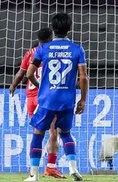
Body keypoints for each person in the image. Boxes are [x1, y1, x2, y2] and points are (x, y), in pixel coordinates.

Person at [24, 13, 88, 182]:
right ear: (69, 29)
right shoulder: (77, 49)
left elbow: (29, 73)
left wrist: (40, 85)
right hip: (67, 101)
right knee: (66, 133)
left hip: (46, 99)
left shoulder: (43, 49)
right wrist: (83, 99)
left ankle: (34, 175)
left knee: (38, 134)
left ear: (53, 29)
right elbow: (83, 77)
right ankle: (74, 169)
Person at [9, 28, 66, 179]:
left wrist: (13, 86)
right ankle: (50, 167)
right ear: (51, 37)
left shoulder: (29, 53)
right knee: (54, 131)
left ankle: (33, 172)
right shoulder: (52, 52)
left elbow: (22, 74)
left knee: (37, 133)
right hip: (45, 98)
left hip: (30, 98)